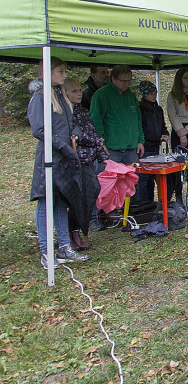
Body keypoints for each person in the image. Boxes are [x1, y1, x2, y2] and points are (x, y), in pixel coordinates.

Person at [28, 58, 88, 269]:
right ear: (47, 72)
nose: (64, 75)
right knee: (46, 203)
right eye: (60, 72)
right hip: (49, 160)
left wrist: (75, 136)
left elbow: (72, 124)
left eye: (64, 71)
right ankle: (46, 251)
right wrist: (63, 147)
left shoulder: (62, 97)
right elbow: (39, 130)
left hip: (65, 160)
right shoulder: (40, 98)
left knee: (62, 202)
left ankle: (64, 245)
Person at [90, 65, 145, 208]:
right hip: (111, 148)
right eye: (123, 81)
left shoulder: (131, 96)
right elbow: (96, 121)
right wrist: (100, 141)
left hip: (131, 148)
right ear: (113, 78)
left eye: (129, 81)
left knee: (132, 182)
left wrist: (140, 140)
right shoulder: (101, 96)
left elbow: (138, 120)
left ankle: (131, 212)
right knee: (106, 182)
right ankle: (100, 215)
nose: (126, 84)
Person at [64, 78, 108, 246]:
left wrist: (103, 157)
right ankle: (72, 233)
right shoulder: (64, 113)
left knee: (92, 191)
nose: (78, 94)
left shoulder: (83, 111)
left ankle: (79, 229)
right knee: (76, 199)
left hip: (88, 159)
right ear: (65, 93)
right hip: (74, 161)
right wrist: (95, 142)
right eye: (74, 91)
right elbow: (79, 137)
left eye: (79, 90)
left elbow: (94, 135)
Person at [166, 67, 188, 203]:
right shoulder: (173, 96)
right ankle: (179, 196)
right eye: (185, 78)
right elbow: (172, 115)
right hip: (178, 131)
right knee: (179, 165)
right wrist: (181, 133)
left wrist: (187, 130)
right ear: (179, 80)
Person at [138, 80, 169, 204]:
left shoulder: (159, 109)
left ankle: (150, 202)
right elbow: (141, 128)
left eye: (155, 93)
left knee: (152, 177)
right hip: (145, 147)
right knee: (143, 178)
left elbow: (162, 125)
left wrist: (165, 134)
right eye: (151, 93)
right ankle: (142, 203)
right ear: (145, 94)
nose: (153, 95)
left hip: (156, 147)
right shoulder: (140, 108)